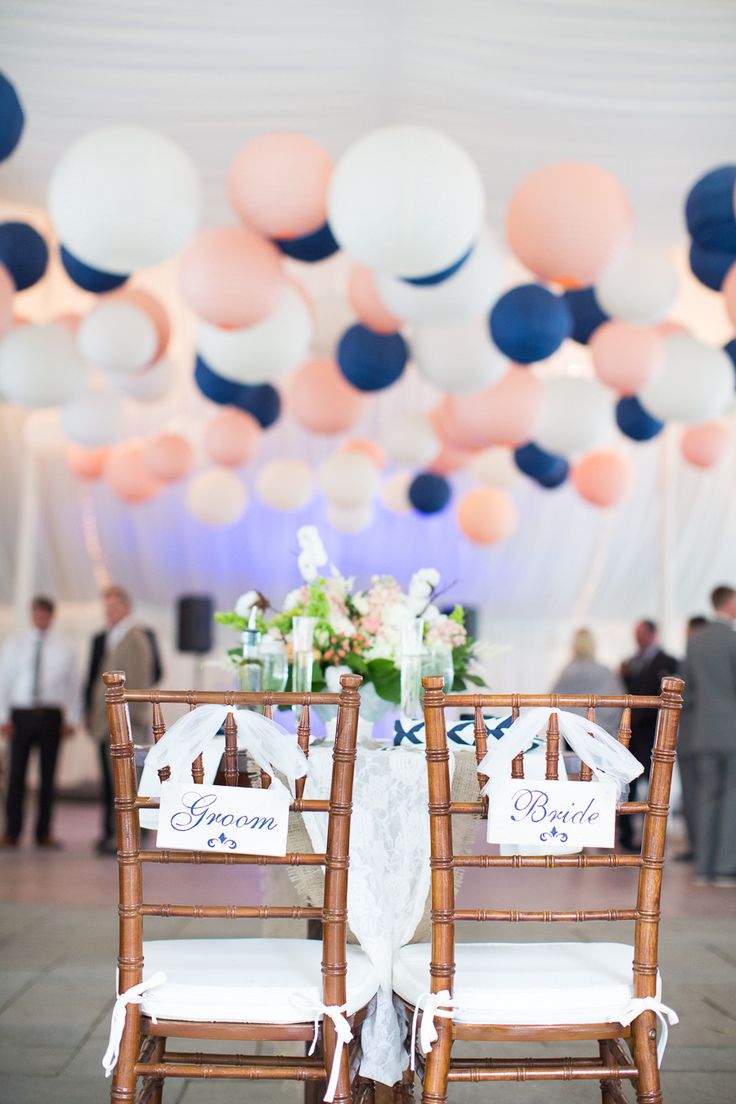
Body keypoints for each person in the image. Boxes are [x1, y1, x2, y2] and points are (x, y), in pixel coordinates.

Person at [0, 596, 80, 848]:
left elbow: (73, 685)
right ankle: (12, 831)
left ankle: (43, 832)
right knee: (16, 776)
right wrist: (3, 716)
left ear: (51, 616)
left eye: (44, 614)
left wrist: (71, 718)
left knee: (48, 776)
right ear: (31, 615)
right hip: (21, 714)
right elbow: (4, 680)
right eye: (36, 614)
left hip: (50, 716)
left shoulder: (65, 647)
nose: (40, 618)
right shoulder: (16, 644)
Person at [86, 586, 155, 854]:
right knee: (118, 784)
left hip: (124, 724)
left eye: (114, 607)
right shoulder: (117, 636)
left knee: (126, 782)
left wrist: (130, 721)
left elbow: (138, 680)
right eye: (107, 607)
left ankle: (128, 838)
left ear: (127, 608)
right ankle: (120, 835)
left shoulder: (134, 638)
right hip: (110, 723)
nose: (109, 612)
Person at [680, 586, 736, 887]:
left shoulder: (695, 642)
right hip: (732, 734)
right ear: (729, 602)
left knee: (706, 798)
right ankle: (726, 869)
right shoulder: (733, 640)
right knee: (731, 800)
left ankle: (703, 867)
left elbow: (684, 688)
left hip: (702, 732)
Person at [618, 619, 679, 851]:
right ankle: (626, 834)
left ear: (652, 634)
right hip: (632, 734)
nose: (638, 639)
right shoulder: (631, 662)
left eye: (641, 634)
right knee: (629, 783)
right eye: (636, 635)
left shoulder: (669, 661)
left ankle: (653, 837)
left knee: (655, 786)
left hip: (655, 734)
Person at [675, 615, 708, 862]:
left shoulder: (690, 659)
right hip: (706, 737)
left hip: (691, 738)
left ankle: (700, 848)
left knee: (694, 796)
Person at [551, 628, 625, 736]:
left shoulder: (567, 672)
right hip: (599, 732)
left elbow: (553, 700)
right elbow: (618, 703)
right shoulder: (604, 672)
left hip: (573, 731)